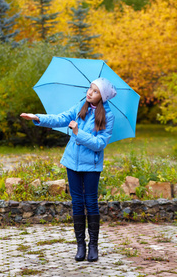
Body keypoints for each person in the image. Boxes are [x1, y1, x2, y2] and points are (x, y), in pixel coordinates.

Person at [20, 77, 117, 262]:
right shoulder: (81, 107)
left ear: (102, 97)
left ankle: (93, 246)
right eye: (90, 88)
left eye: (95, 91)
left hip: (92, 166)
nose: (90, 93)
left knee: (91, 202)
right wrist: (38, 117)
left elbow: (99, 144)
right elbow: (60, 118)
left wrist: (79, 133)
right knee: (77, 203)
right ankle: (80, 245)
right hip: (72, 162)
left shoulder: (108, 116)